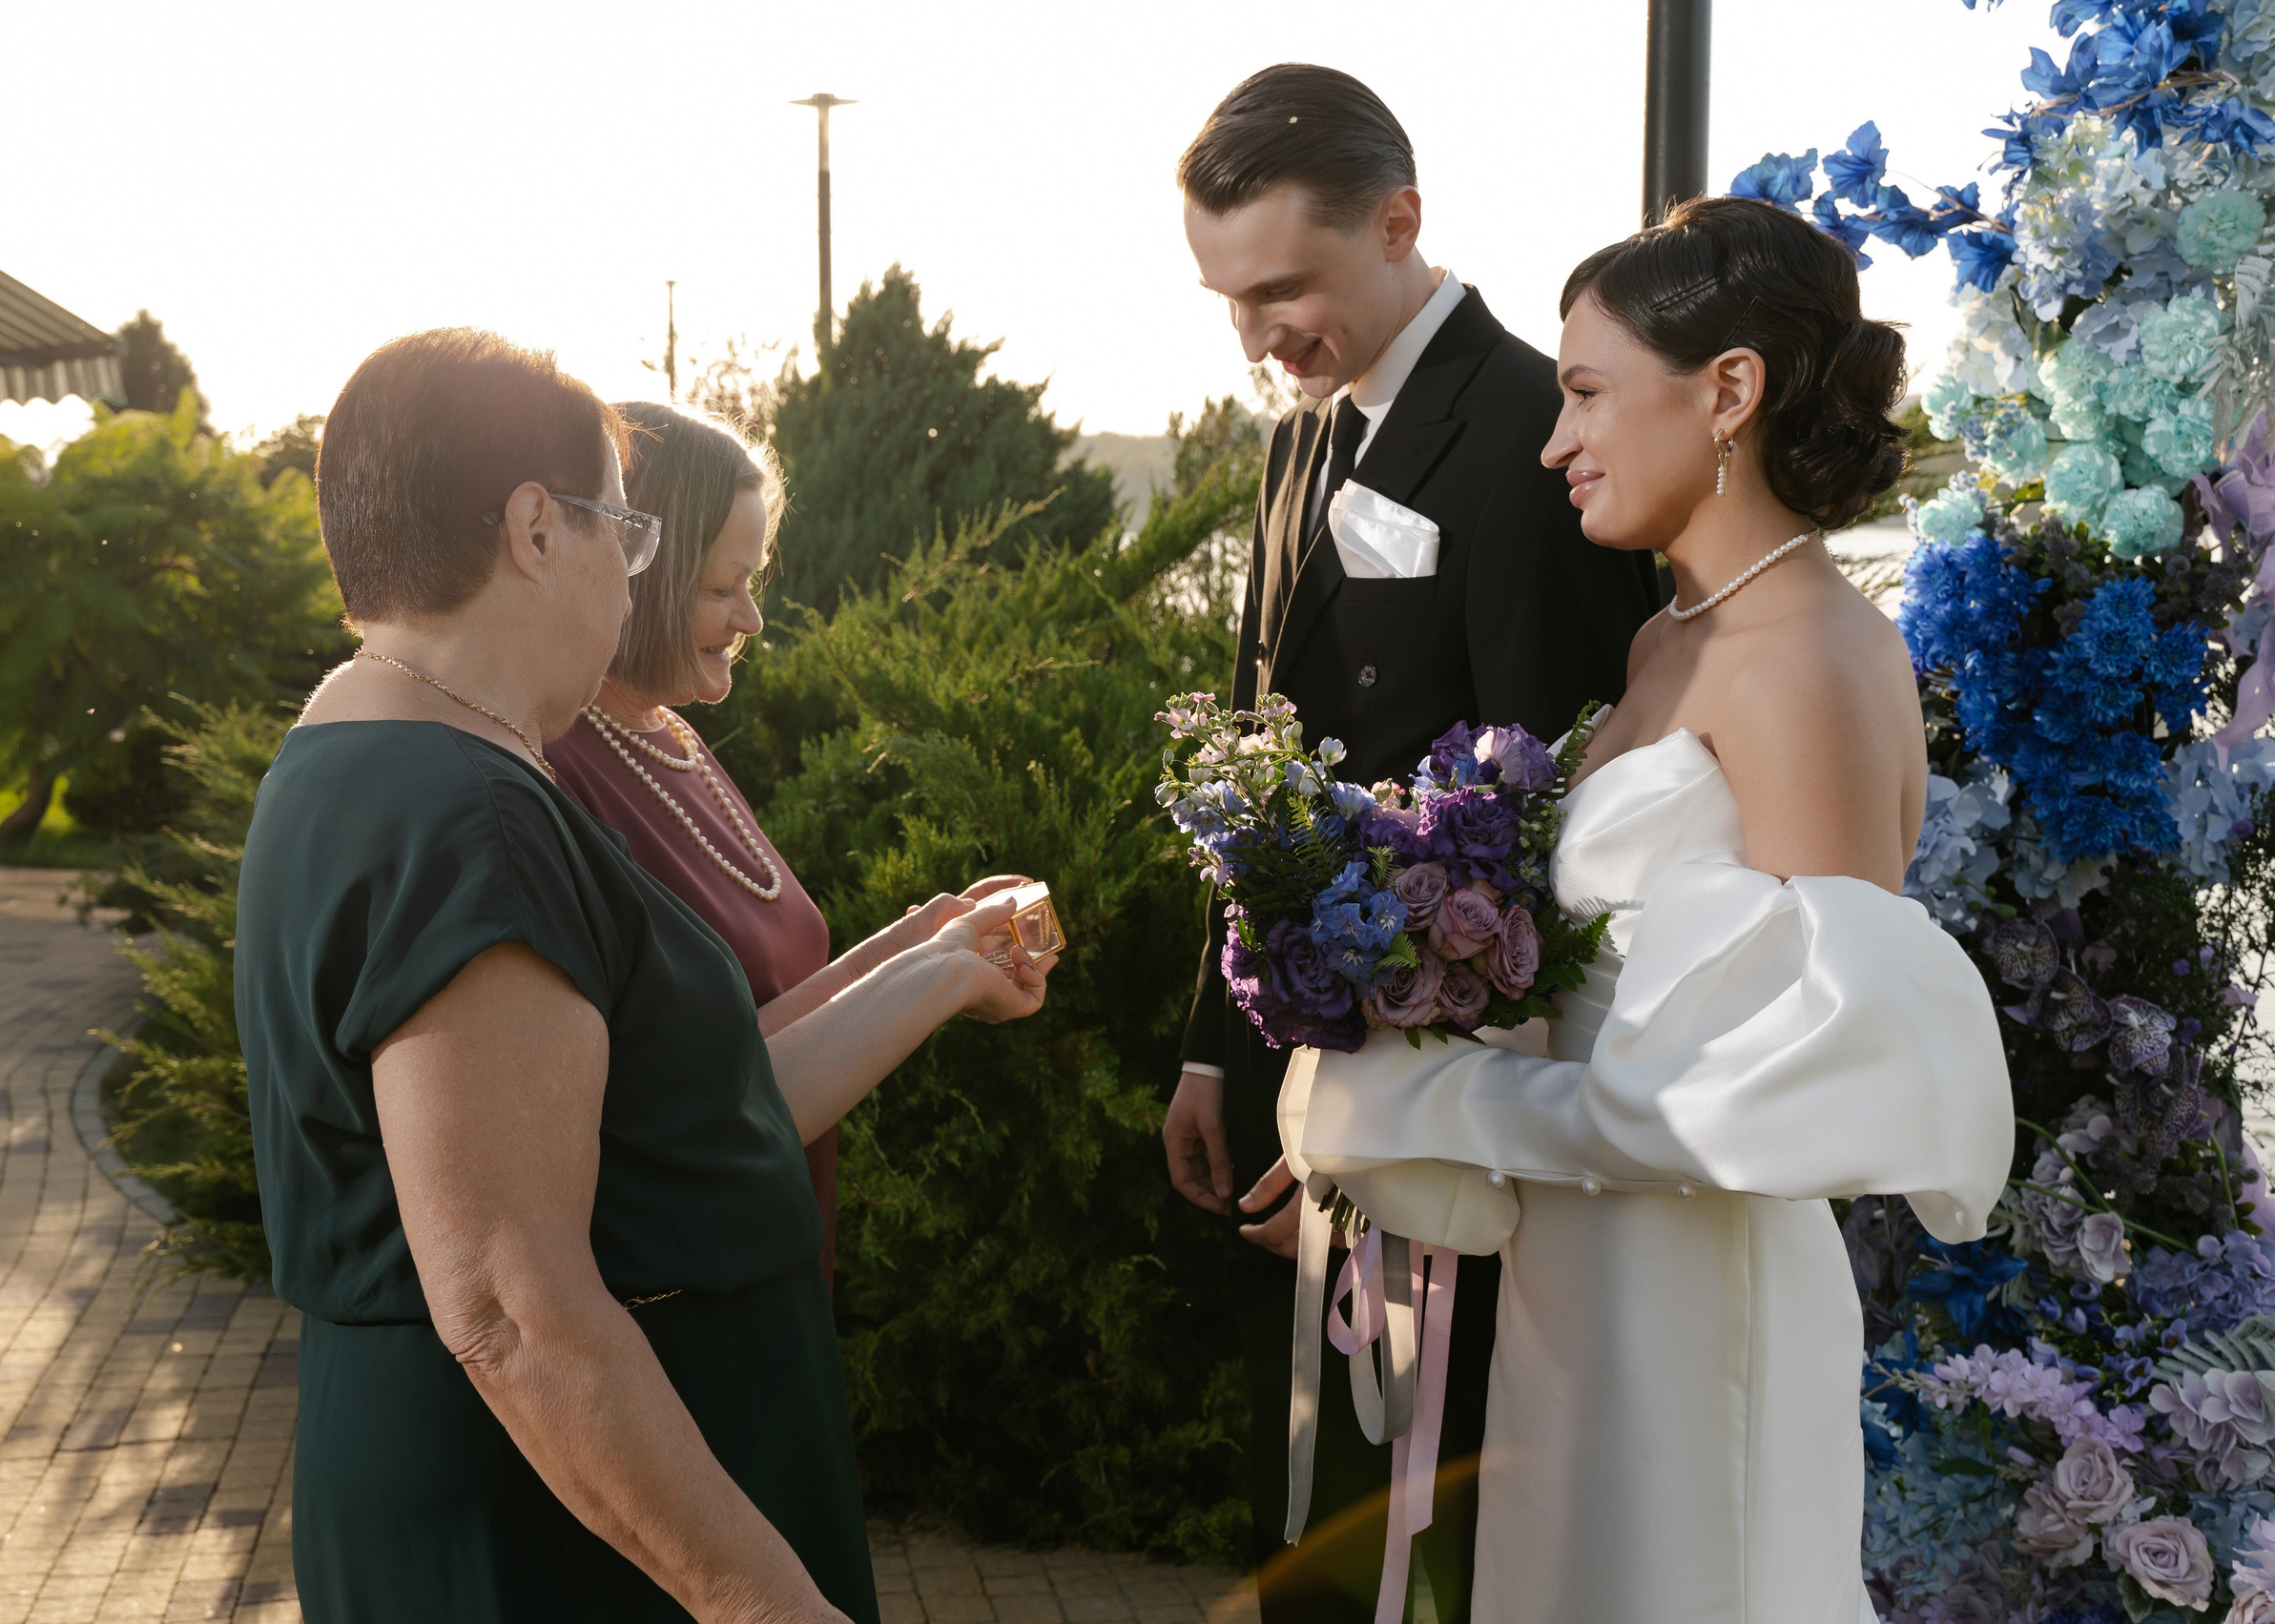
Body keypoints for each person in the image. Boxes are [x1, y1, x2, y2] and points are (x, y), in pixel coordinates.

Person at [234, 329, 1050, 1624]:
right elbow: (514, 1306)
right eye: (625, 531)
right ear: (535, 529)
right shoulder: (466, 819)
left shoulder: (356, 747)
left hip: (523, 1483)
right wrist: (761, 1597)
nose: (633, 580)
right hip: (565, 1534)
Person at [1277, 196, 2015, 1621]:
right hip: (1585, 1268)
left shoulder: (1804, 653)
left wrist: (1437, 1107)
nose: (1556, 441)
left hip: (1698, 1293)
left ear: (1728, 389)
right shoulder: (1670, 632)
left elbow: (1801, 1077)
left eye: (1587, 392)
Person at [1163, 63, 1662, 1621]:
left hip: (1446, 1113)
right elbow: (1267, 758)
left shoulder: (1531, 430)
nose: (1257, 335)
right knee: (1310, 1497)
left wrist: (1382, 1108)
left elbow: (1551, 821)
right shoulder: (1297, 438)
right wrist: (1213, 1049)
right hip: (1307, 1071)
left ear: (1401, 223)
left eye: (1284, 287)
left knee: (1424, 1527)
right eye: (1227, 298)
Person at [545, 401, 1035, 1293]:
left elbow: (756, 1019)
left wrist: (930, 933)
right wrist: (943, 973)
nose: (752, 619)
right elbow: (677, 1095)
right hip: (686, 1293)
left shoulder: (667, 735)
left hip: (778, 1261)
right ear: (642, 575)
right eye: (723, 587)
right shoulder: (565, 769)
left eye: (754, 583)